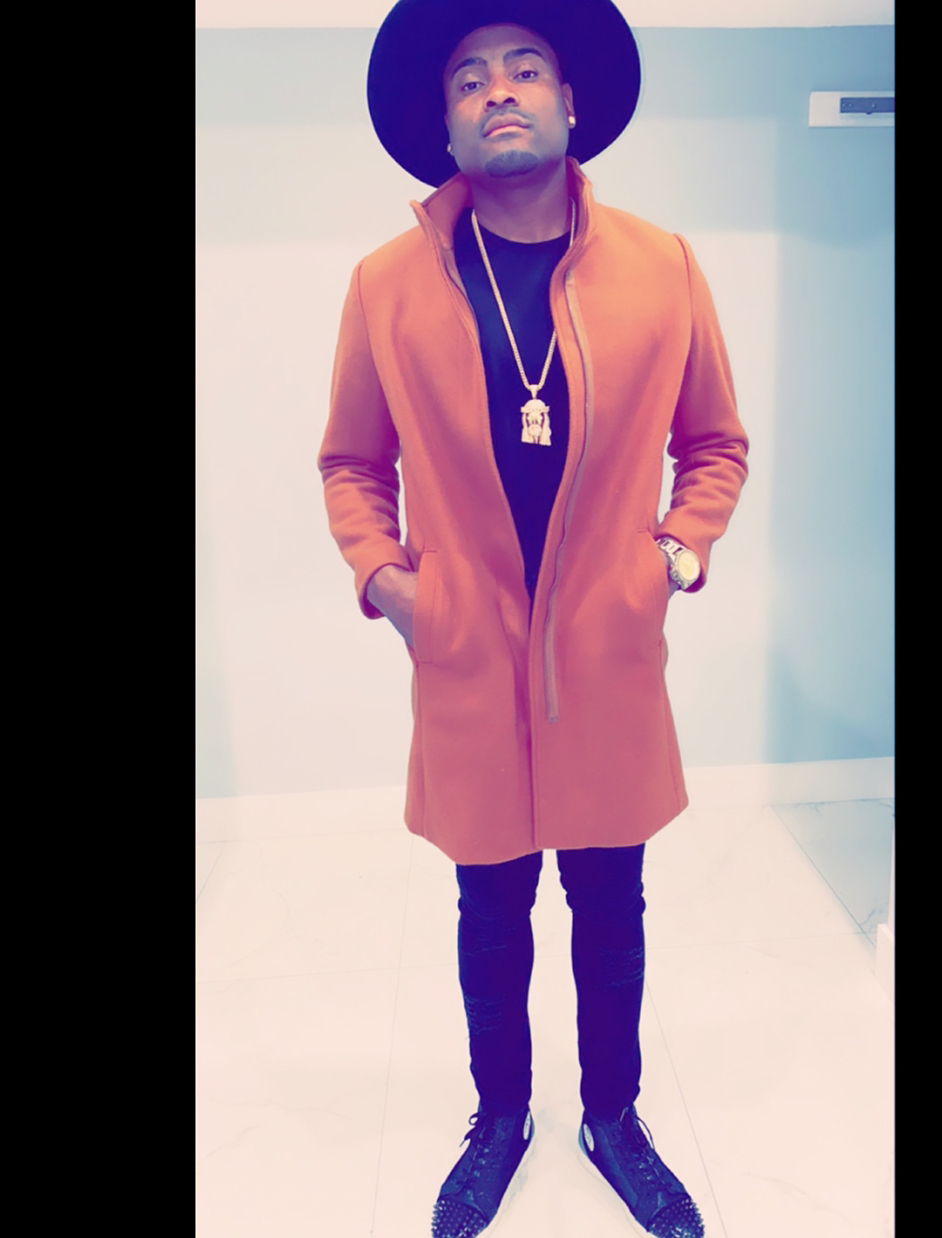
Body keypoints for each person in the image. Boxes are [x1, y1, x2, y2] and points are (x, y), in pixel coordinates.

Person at [318, 3, 748, 1235]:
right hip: (465, 659)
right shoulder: (385, 285)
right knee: (489, 912)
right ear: (444, 125)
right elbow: (351, 463)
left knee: (611, 907)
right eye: (468, 78)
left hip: (606, 658)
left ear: (569, 104)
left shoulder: (662, 266)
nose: (497, 89)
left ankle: (614, 1116)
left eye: (523, 69)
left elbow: (713, 444)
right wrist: (389, 581)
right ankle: (498, 1116)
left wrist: (671, 556)